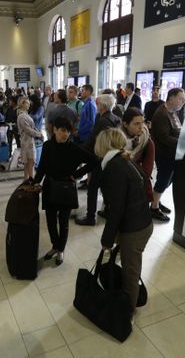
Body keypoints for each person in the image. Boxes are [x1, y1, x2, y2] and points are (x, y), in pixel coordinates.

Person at [95, 127, 153, 313]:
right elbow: (143, 182)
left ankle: (127, 313)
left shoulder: (114, 168)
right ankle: (126, 304)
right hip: (142, 222)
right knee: (131, 267)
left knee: (131, 272)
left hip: (134, 229)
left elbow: (116, 209)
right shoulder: (125, 160)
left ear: (103, 145)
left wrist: (107, 240)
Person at [34, 116, 97, 265]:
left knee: (63, 222)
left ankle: (60, 250)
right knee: (50, 221)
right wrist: (35, 182)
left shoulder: (74, 148)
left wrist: (76, 175)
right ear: (54, 130)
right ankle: (55, 246)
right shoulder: (48, 146)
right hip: (50, 186)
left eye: (68, 131)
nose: (66, 134)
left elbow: (94, 161)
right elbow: (42, 167)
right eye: (62, 130)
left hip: (66, 189)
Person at [75, 94, 121, 226]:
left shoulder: (102, 120)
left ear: (104, 106)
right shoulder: (116, 118)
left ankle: (90, 217)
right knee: (106, 187)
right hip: (112, 158)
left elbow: (94, 140)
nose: (97, 106)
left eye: (99, 103)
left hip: (100, 158)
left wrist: (80, 153)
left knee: (93, 187)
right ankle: (108, 210)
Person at [149, 88, 185, 222]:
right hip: (164, 154)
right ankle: (153, 207)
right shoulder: (161, 114)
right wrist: (183, 143)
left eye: (184, 99)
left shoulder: (173, 112)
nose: (183, 101)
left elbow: (177, 130)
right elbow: (164, 137)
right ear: (171, 98)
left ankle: (156, 200)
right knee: (164, 179)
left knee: (167, 180)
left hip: (173, 154)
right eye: (181, 98)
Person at [121, 108, 155, 203]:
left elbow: (146, 173)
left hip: (138, 189)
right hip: (118, 187)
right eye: (136, 124)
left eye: (142, 122)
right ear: (125, 124)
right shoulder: (116, 140)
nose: (141, 127)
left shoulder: (147, 142)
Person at [16, 97, 44, 180]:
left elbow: (32, 127)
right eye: (27, 103)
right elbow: (27, 129)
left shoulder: (25, 114)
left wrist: (38, 133)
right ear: (23, 104)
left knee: (28, 163)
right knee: (30, 162)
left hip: (29, 140)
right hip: (27, 141)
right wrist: (38, 134)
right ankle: (31, 180)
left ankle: (27, 180)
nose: (29, 105)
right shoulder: (21, 116)